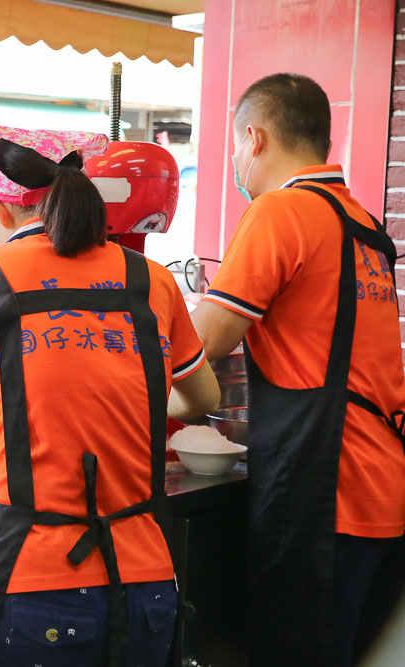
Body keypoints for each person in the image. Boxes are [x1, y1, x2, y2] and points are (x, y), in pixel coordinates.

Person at [0, 122, 220, 667]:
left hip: (34, 578)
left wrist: (14, 437)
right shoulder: (152, 279)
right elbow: (201, 397)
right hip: (146, 579)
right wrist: (139, 412)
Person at [191, 73, 405, 666]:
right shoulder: (360, 222)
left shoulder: (280, 212)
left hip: (324, 494)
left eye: (235, 146)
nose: (235, 161)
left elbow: (203, 341)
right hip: (382, 485)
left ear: (254, 138)